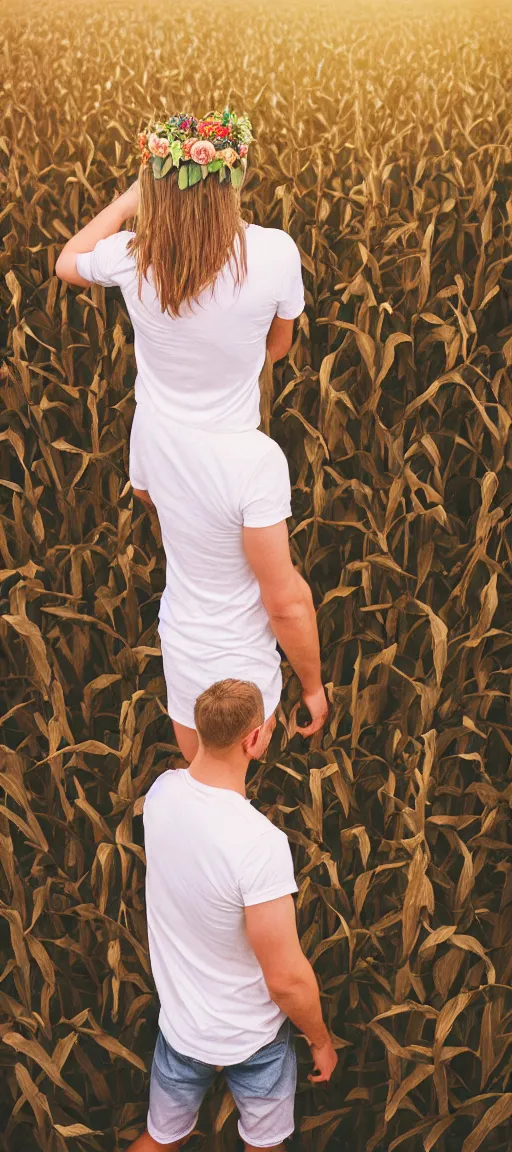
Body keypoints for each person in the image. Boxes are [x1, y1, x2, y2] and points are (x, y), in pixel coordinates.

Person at [55, 110, 328, 758]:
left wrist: (127, 199)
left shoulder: (134, 257)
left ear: (158, 184)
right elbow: (278, 347)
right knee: (251, 566)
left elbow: (68, 261)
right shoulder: (272, 254)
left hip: (156, 444)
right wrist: (313, 686)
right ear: (230, 183)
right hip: (226, 451)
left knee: (185, 536)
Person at [128, 678, 337, 1152]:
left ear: (200, 731)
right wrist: (320, 1039)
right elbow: (286, 979)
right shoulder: (259, 844)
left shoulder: (160, 796)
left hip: (180, 1028)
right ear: (254, 740)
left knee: (159, 1141)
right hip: (253, 1038)